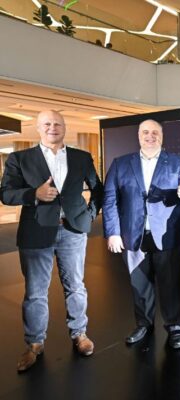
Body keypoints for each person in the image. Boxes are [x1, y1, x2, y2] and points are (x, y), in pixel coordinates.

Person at [0, 110, 103, 372]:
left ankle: (79, 334)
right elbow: (6, 194)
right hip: (35, 232)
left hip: (73, 231)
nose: (52, 127)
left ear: (64, 127)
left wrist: (89, 215)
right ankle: (35, 343)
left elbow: (97, 189)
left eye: (57, 123)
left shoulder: (81, 157)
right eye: (46, 123)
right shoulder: (19, 158)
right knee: (35, 292)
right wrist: (34, 194)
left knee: (76, 287)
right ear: (38, 128)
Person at [102, 119, 180, 349]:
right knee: (140, 284)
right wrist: (113, 232)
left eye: (155, 132)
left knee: (171, 283)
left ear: (162, 136)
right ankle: (144, 324)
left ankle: (174, 326)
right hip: (133, 235)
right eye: (145, 132)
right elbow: (110, 199)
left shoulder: (178, 162)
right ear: (139, 136)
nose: (150, 136)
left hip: (168, 234)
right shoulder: (120, 164)